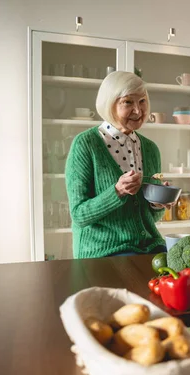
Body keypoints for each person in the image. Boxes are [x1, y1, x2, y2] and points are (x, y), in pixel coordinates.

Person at [65, 71, 175, 258]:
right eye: (128, 102)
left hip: (148, 245)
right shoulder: (86, 144)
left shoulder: (150, 148)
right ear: (110, 104)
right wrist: (117, 191)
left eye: (142, 101)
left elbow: (148, 218)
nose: (138, 111)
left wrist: (157, 205)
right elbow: (79, 215)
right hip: (102, 250)